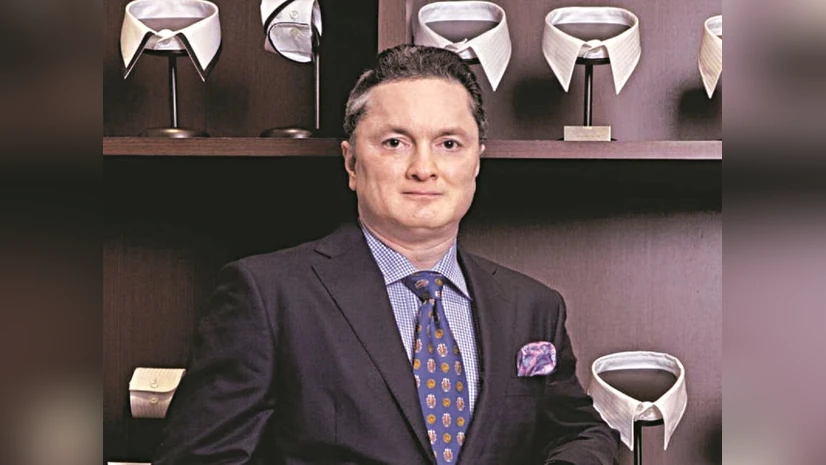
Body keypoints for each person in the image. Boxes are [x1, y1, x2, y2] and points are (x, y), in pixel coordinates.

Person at [154, 44, 619, 465]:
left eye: (449, 144)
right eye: (395, 142)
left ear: (476, 160)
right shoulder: (266, 295)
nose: (424, 168)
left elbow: (581, 432)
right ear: (352, 162)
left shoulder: (532, 307)